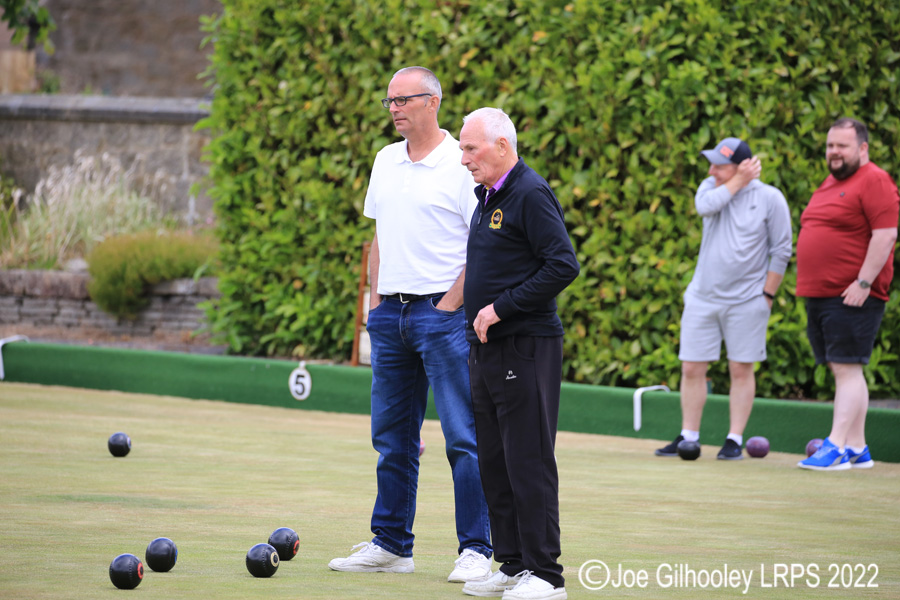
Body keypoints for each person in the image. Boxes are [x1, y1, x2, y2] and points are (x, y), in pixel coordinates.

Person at [328, 67, 492, 582]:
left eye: (404, 99)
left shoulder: (460, 163)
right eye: (389, 100)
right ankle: (392, 544)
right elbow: (378, 237)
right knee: (392, 437)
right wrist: (375, 306)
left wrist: (448, 305)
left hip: (441, 316)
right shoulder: (384, 159)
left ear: (433, 102)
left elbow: (481, 247)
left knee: (463, 435)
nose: (394, 107)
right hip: (390, 316)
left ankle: (477, 549)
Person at [459, 107, 579, 600]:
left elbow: (562, 265)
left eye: (471, 148)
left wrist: (499, 309)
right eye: (463, 148)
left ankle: (546, 575)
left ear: (502, 145)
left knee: (527, 459)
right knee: (495, 459)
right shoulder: (488, 196)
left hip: (526, 346)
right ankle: (511, 564)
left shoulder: (529, 192)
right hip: (486, 351)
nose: (463, 158)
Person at [655, 137, 792, 460]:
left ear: (743, 165)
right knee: (691, 367)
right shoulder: (710, 187)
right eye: (712, 163)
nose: (712, 170)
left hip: (748, 301)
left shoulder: (771, 198)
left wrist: (767, 295)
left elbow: (782, 249)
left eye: (720, 165)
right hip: (702, 297)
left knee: (741, 369)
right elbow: (705, 207)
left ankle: (734, 439)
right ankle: (689, 435)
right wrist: (737, 181)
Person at [797, 117, 899, 471]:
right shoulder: (831, 182)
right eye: (830, 146)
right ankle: (857, 447)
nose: (834, 152)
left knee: (847, 368)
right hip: (822, 294)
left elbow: (886, 234)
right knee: (846, 368)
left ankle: (835, 446)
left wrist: (863, 282)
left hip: (853, 293)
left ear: (863, 148)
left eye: (842, 145)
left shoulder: (875, 180)